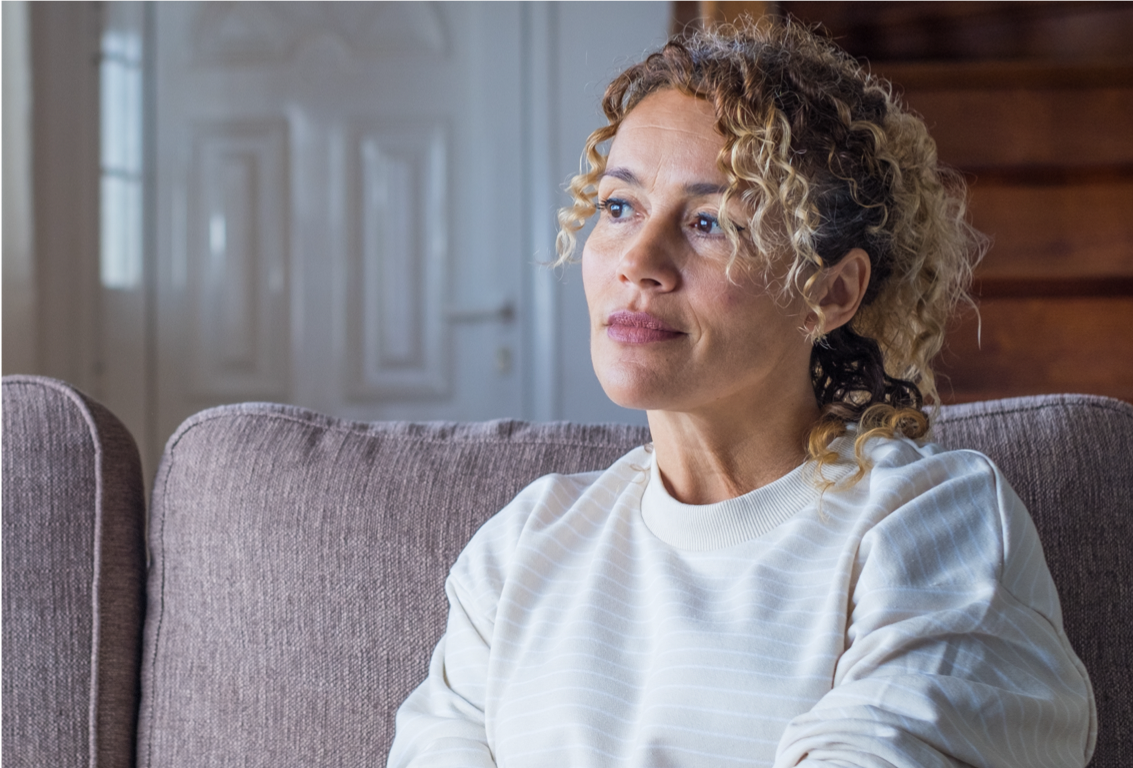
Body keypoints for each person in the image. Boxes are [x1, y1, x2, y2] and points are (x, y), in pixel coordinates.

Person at [387, 18, 1096, 768]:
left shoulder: (924, 519)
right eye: (619, 206)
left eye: (708, 222)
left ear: (829, 292)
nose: (637, 260)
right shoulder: (524, 545)